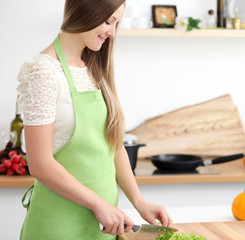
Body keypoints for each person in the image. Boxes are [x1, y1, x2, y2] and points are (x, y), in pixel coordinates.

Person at [16, 0, 172, 239]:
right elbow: (40, 163)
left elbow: (113, 143)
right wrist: (99, 205)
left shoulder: (94, 67)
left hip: (103, 228)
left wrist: (139, 202)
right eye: (108, 21)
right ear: (85, 11)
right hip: (58, 226)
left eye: (116, 23)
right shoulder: (43, 72)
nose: (112, 32)